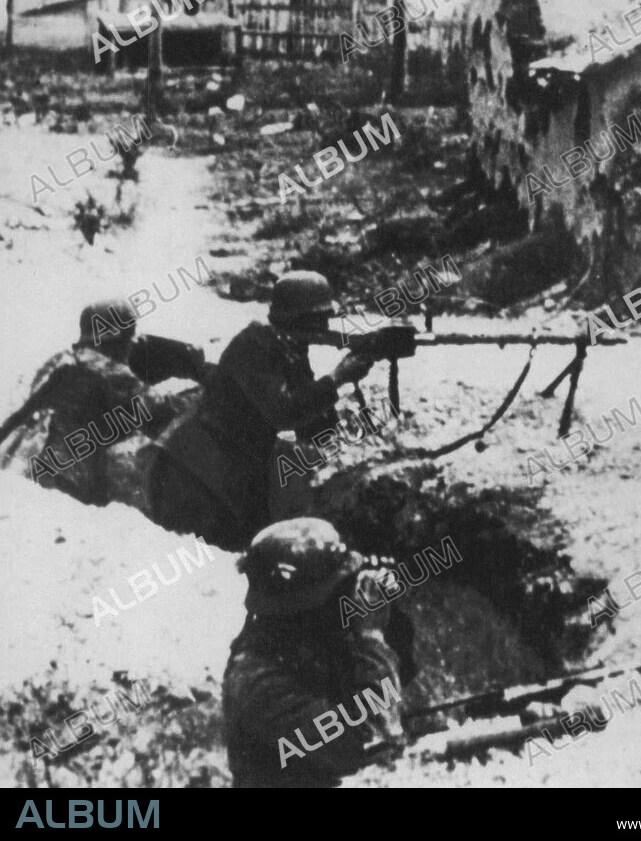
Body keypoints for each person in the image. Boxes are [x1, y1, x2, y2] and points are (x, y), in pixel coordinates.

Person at [148, 271, 374, 549]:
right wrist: (336, 377)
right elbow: (284, 412)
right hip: (195, 473)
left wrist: (347, 376)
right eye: (318, 320)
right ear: (298, 319)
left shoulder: (288, 349)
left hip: (231, 474)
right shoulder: (254, 344)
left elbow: (312, 427)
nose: (323, 328)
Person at [223, 518, 413, 788]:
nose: (348, 594)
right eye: (339, 588)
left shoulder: (303, 641)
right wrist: (371, 636)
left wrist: (388, 618)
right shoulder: (259, 685)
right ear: (306, 604)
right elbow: (374, 741)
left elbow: (398, 689)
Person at [0, 299, 192, 508]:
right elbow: (163, 412)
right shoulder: (113, 373)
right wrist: (195, 394)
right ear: (115, 339)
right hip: (76, 487)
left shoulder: (60, 361)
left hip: (29, 469)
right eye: (129, 334)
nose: (133, 342)